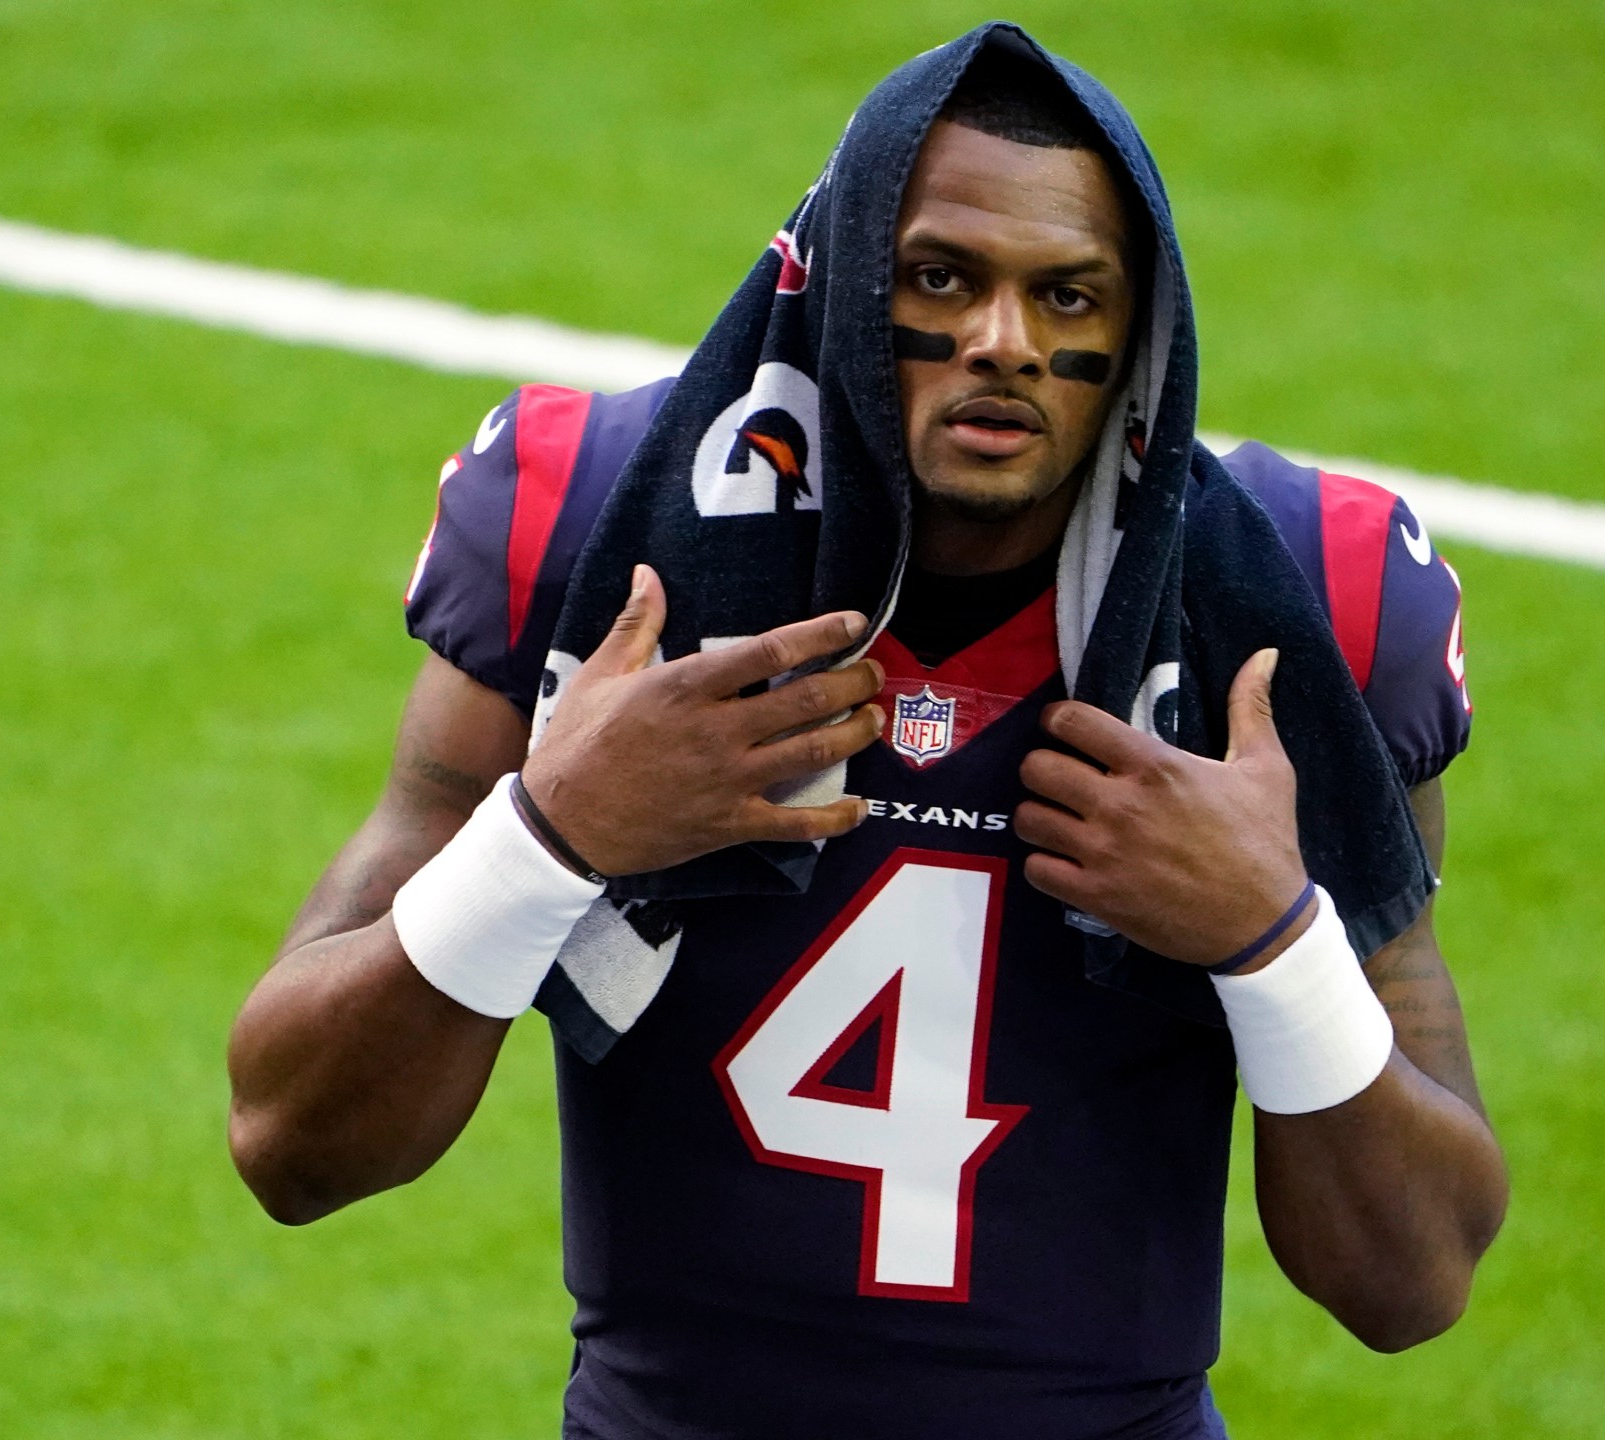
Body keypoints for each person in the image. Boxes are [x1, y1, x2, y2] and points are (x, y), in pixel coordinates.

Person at [229, 24, 1506, 1438]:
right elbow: (290, 1143)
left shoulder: (1304, 603)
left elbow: (1413, 1281)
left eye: (1067, 294)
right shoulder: (595, 531)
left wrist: (1273, 941)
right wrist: (548, 837)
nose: (1004, 342)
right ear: (836, 282)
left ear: (1141, 329)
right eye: (940, 276)